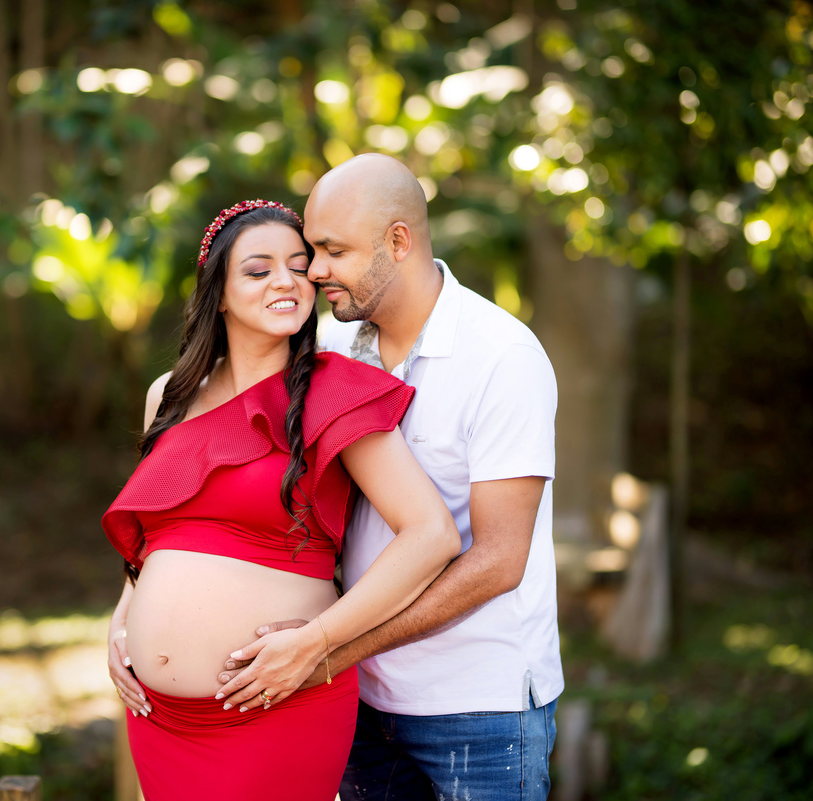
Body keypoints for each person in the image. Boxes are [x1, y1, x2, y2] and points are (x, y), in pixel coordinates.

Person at [217, 155, 562, 801]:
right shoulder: (332, 350)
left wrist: (329, 648)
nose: (313, 270)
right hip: (361, 701)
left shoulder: (502, 357)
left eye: (332, 250)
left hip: (478, 705)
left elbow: (497, 560)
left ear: (398, 241)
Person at [102, 199, 462, 801]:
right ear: (217, 292)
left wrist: (316, 642)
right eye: (258, 269)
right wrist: (122, 621)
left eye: (300, 266)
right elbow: (155, 534)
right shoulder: (167, 396)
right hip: (159, 719)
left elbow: (432, 535)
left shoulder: (336, 392)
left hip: (277, 700)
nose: (286, 281)